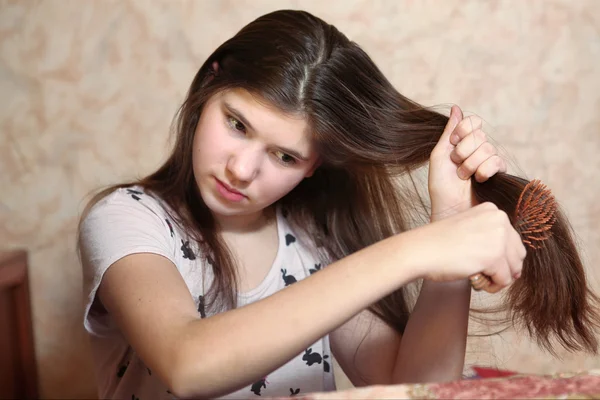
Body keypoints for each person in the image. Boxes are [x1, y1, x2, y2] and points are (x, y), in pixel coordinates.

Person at [77, 9, 599, 400]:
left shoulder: (313, 241)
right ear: (209, 82)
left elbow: (418, 387)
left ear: (315, 166)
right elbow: (186, 362)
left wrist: (450, 225)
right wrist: (422, 249)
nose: (241, 169)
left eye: (283, 155)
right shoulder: (128, 219)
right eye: (237, 125)